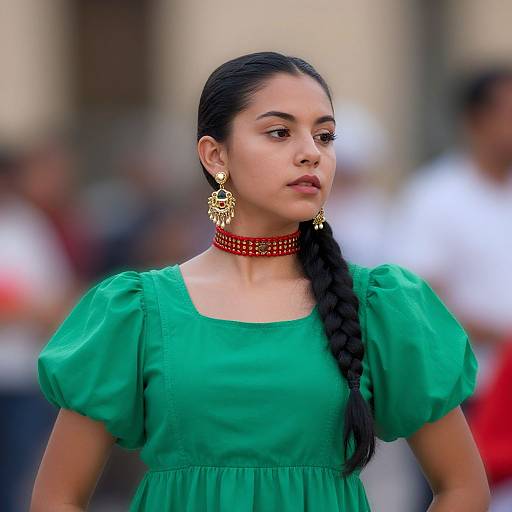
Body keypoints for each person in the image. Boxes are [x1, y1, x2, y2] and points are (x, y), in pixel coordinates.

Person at [30, 52, 490, 511]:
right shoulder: (136, 312)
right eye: (279, 132)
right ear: (216, 155)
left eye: (325, 135)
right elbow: (57, 497)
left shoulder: (378, 306)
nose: (312, 151)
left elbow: (463, 488)